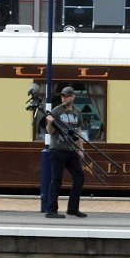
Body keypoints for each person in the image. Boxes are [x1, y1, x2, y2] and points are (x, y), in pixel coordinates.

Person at [44, 86, 87, 219]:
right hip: (58, 149)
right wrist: (50, 123)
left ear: (73, 97)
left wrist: (81, 149)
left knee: (79, 177)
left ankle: (73, 209)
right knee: (56, 179)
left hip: (72, 149)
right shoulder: (56, 110)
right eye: (63, 96)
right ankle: (51, 210)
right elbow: (50, 132)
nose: (64, 98)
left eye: (67, 96)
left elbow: (79, 132)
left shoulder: (77, 112)